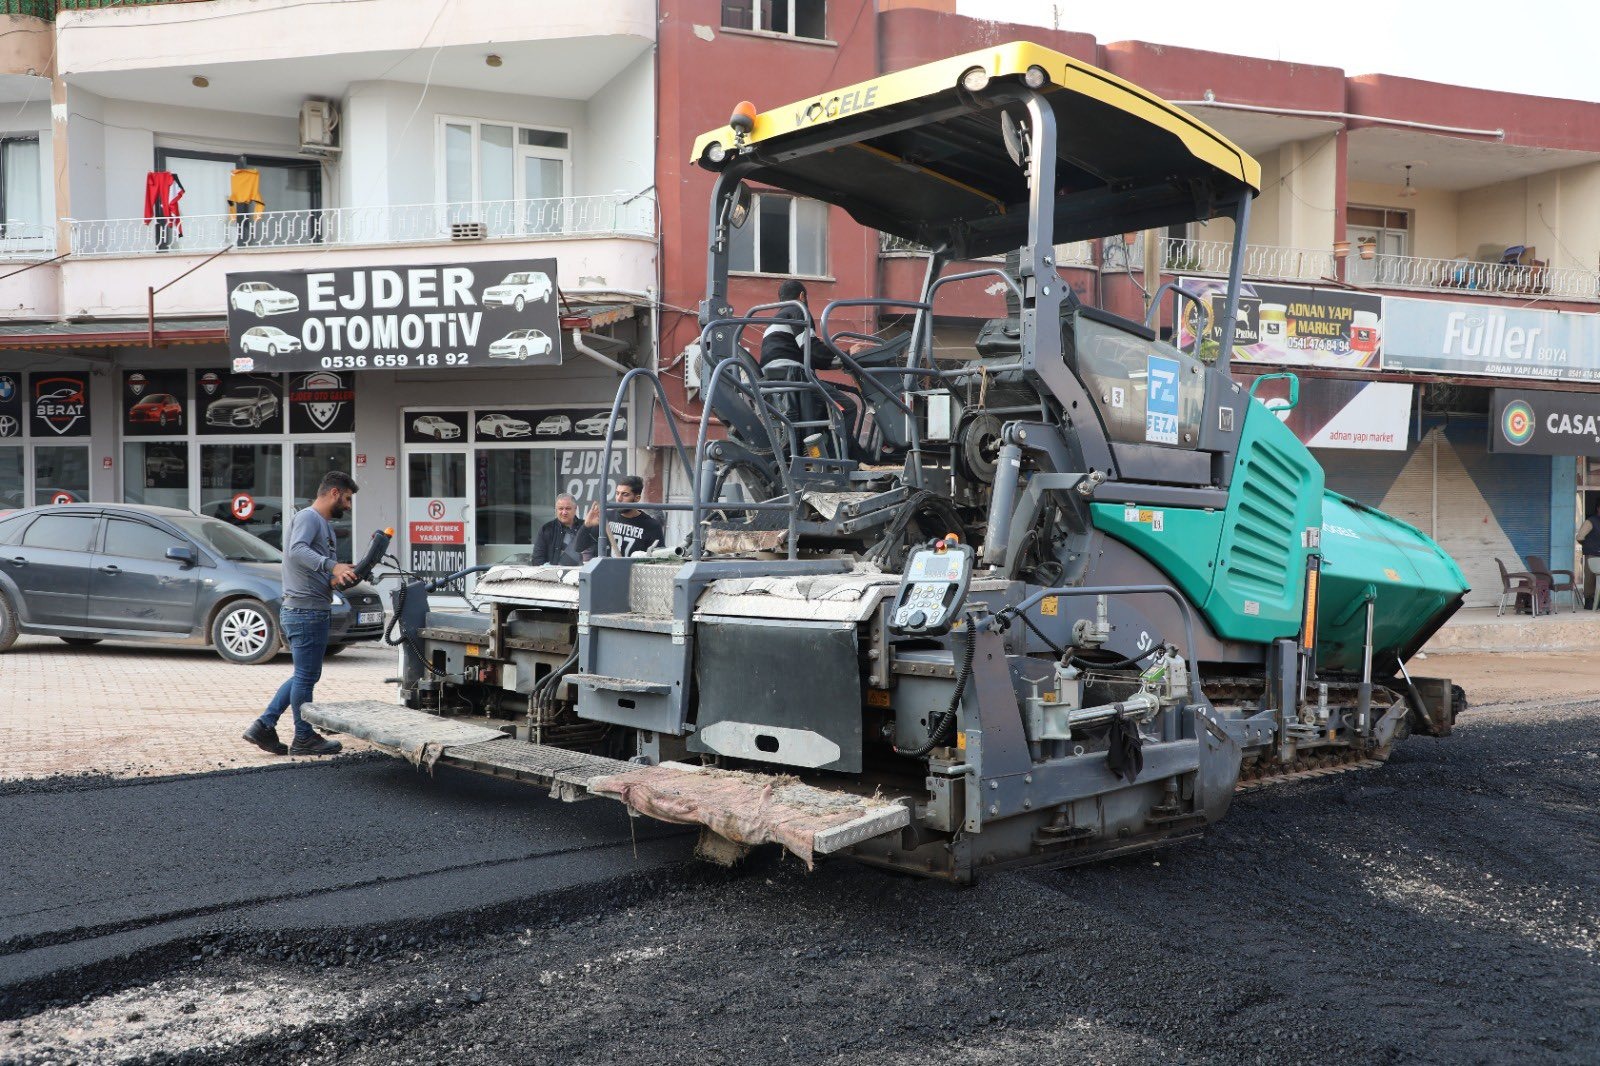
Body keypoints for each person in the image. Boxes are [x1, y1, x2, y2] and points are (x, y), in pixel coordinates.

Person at [242, 471, 358, 757]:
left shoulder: (323, 525)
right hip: (305, 612)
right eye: (346, 498)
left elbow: (310, 568)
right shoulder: (309, 518)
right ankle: (303, 737)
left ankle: (264, 726)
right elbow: (296, 551)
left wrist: (337, 578)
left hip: (309, 609)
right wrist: (332, 566)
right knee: (306, 676)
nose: (348, 505)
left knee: (304, 675)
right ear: (333, 492)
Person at [583, 474, 664, 557]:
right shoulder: (606, 517)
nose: (619, 498)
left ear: (637, 498)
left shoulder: (652, 526)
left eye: (625, 494)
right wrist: (586, 526)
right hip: (606, 569)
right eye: (617, 493)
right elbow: (579, 548)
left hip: (634, 569)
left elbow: (659, 559)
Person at [531, 492, 592, 566]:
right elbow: (537, 559)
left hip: (581, 574)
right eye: (561, 509)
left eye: (568, 508)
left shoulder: (586, 527)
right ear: (556, 510)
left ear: (575, 509)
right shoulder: (546, 529)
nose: (564, 512)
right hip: (554, 576)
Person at [1578, 499, 1600, 608]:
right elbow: (1580, 537)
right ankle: (1589, 602)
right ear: (1598, 508)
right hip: (1592, 555)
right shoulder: (1590, 521)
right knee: (1590, 580)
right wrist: (1589, 546)